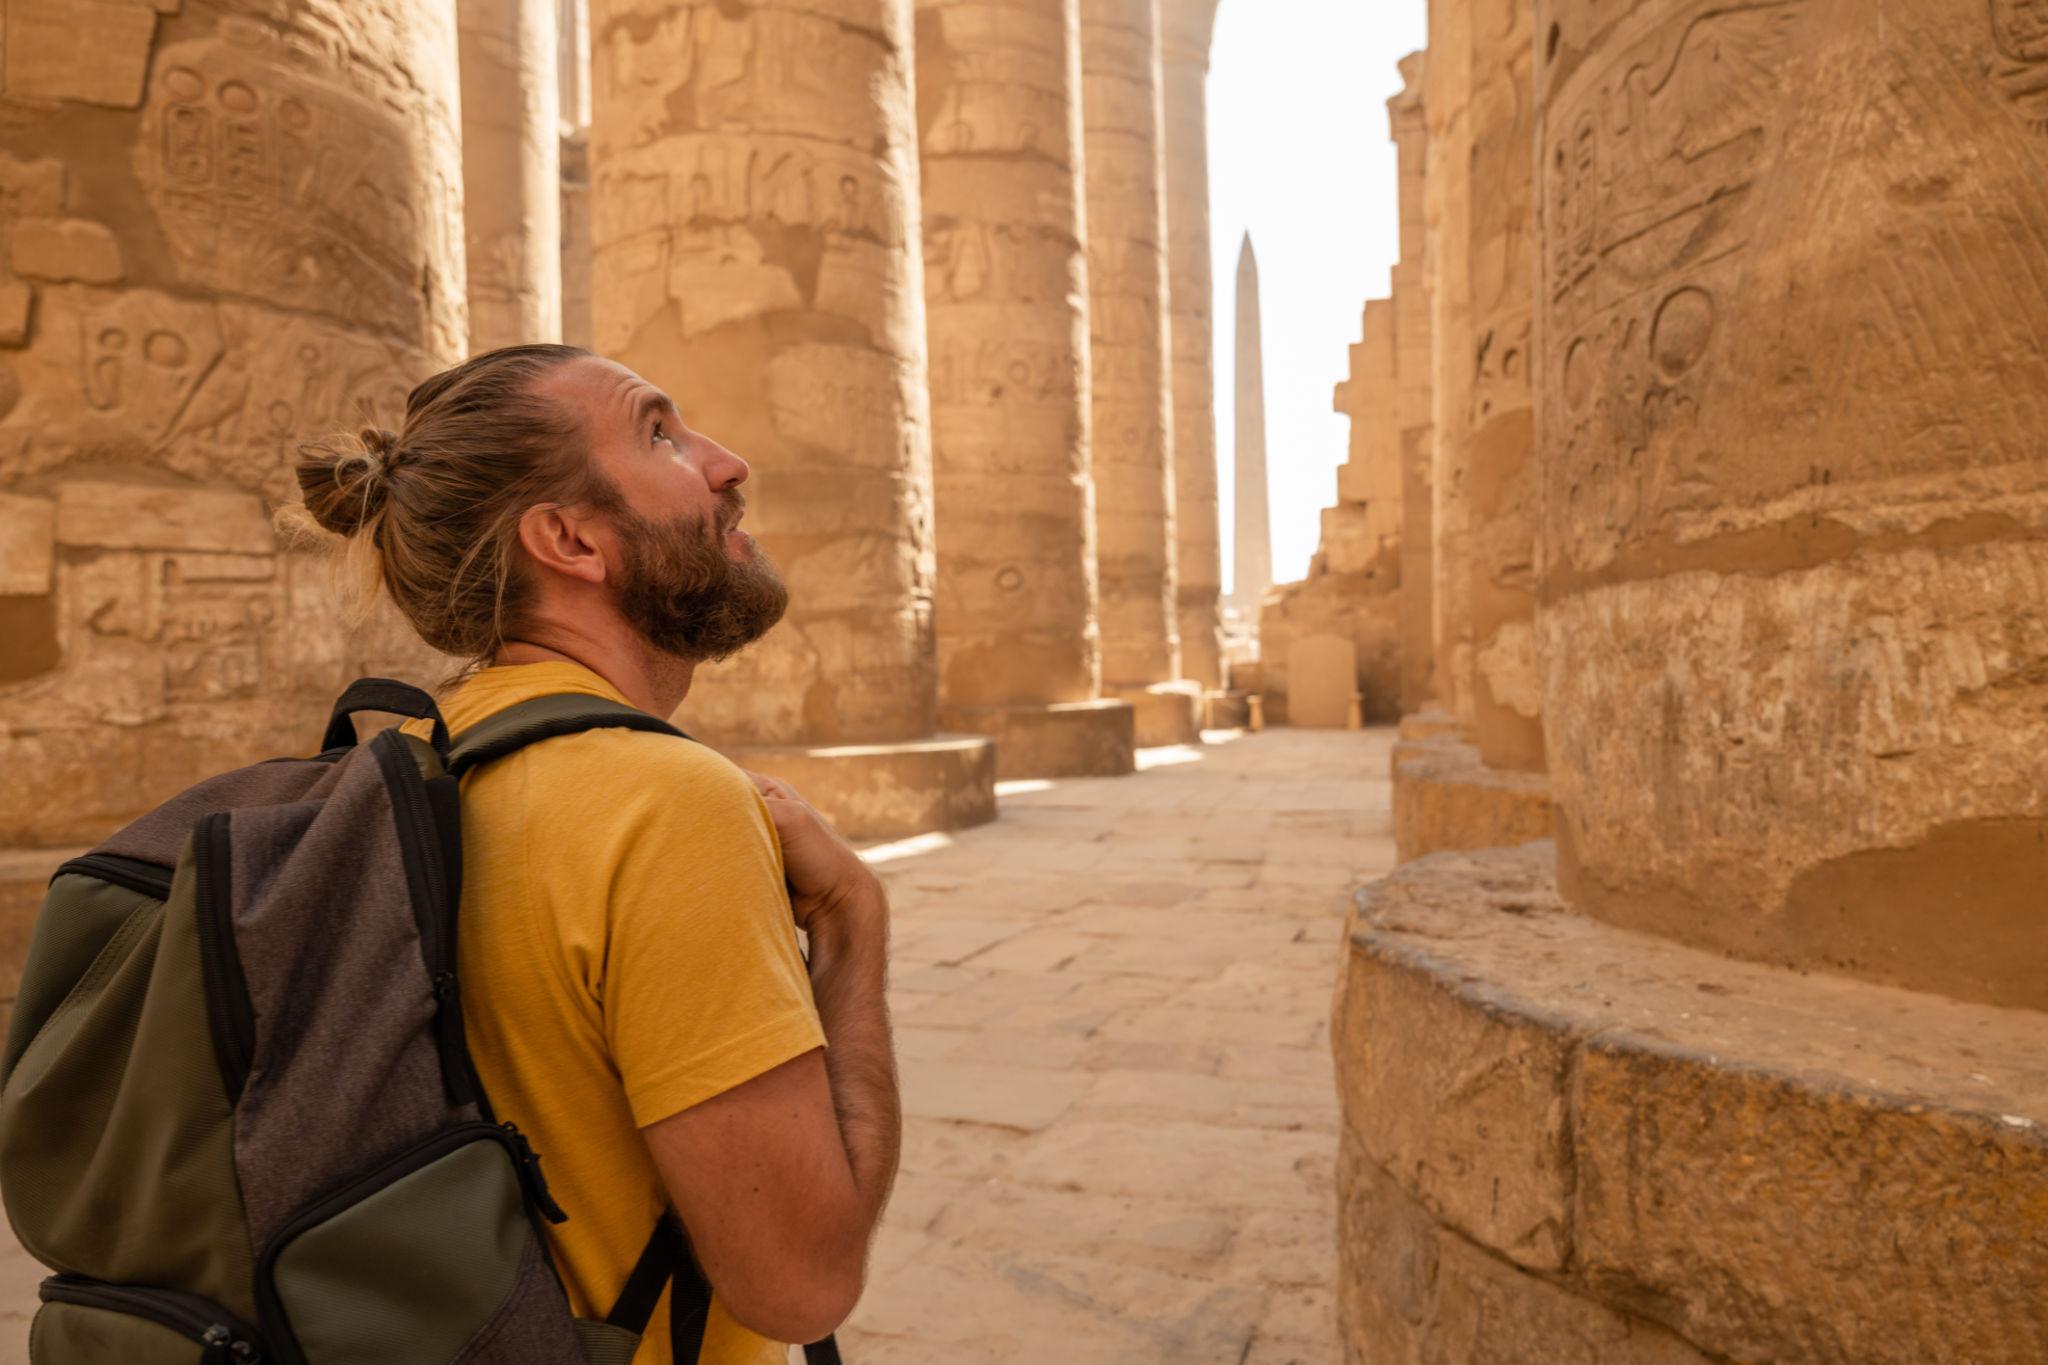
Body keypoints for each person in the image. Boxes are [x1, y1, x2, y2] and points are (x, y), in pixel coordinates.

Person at [284, 344, 901, 1365]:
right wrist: (852, 922)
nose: (728, 462)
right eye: (659, 433)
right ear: (568, 538)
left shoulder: (395, 760)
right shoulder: (666, 807)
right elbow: (801, 1284)